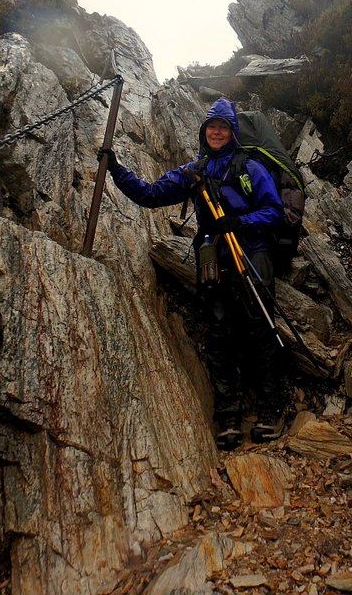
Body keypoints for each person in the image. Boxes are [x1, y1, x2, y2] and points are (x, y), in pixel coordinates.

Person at [97, 97, 286, 450]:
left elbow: (274, 211)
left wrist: (240, 221)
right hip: (214, 253)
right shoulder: (192, 172)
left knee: (260, 327)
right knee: (219, 332)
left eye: (223, 127)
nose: (216, 132)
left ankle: (270, 411)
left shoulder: (250, 168)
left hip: (251, 250)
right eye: (211, 126)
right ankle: (229, 417)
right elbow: (150, 195)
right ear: (204, 132)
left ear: (232, 133)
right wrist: (116, 169)